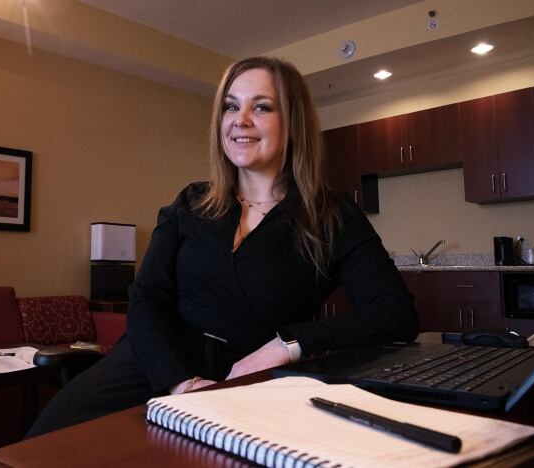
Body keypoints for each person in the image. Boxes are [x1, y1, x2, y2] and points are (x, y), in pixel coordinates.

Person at [26, 56, 417, 437]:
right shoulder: (190, 204)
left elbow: (395, 312)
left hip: (250, 382)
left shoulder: (333, 215)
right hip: (154, 365)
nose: (239, 120)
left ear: (294, 123)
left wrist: (288, 345)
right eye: (231, 107)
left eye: (261, 107)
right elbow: (147, 299)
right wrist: (181, 384)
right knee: (42, 447)